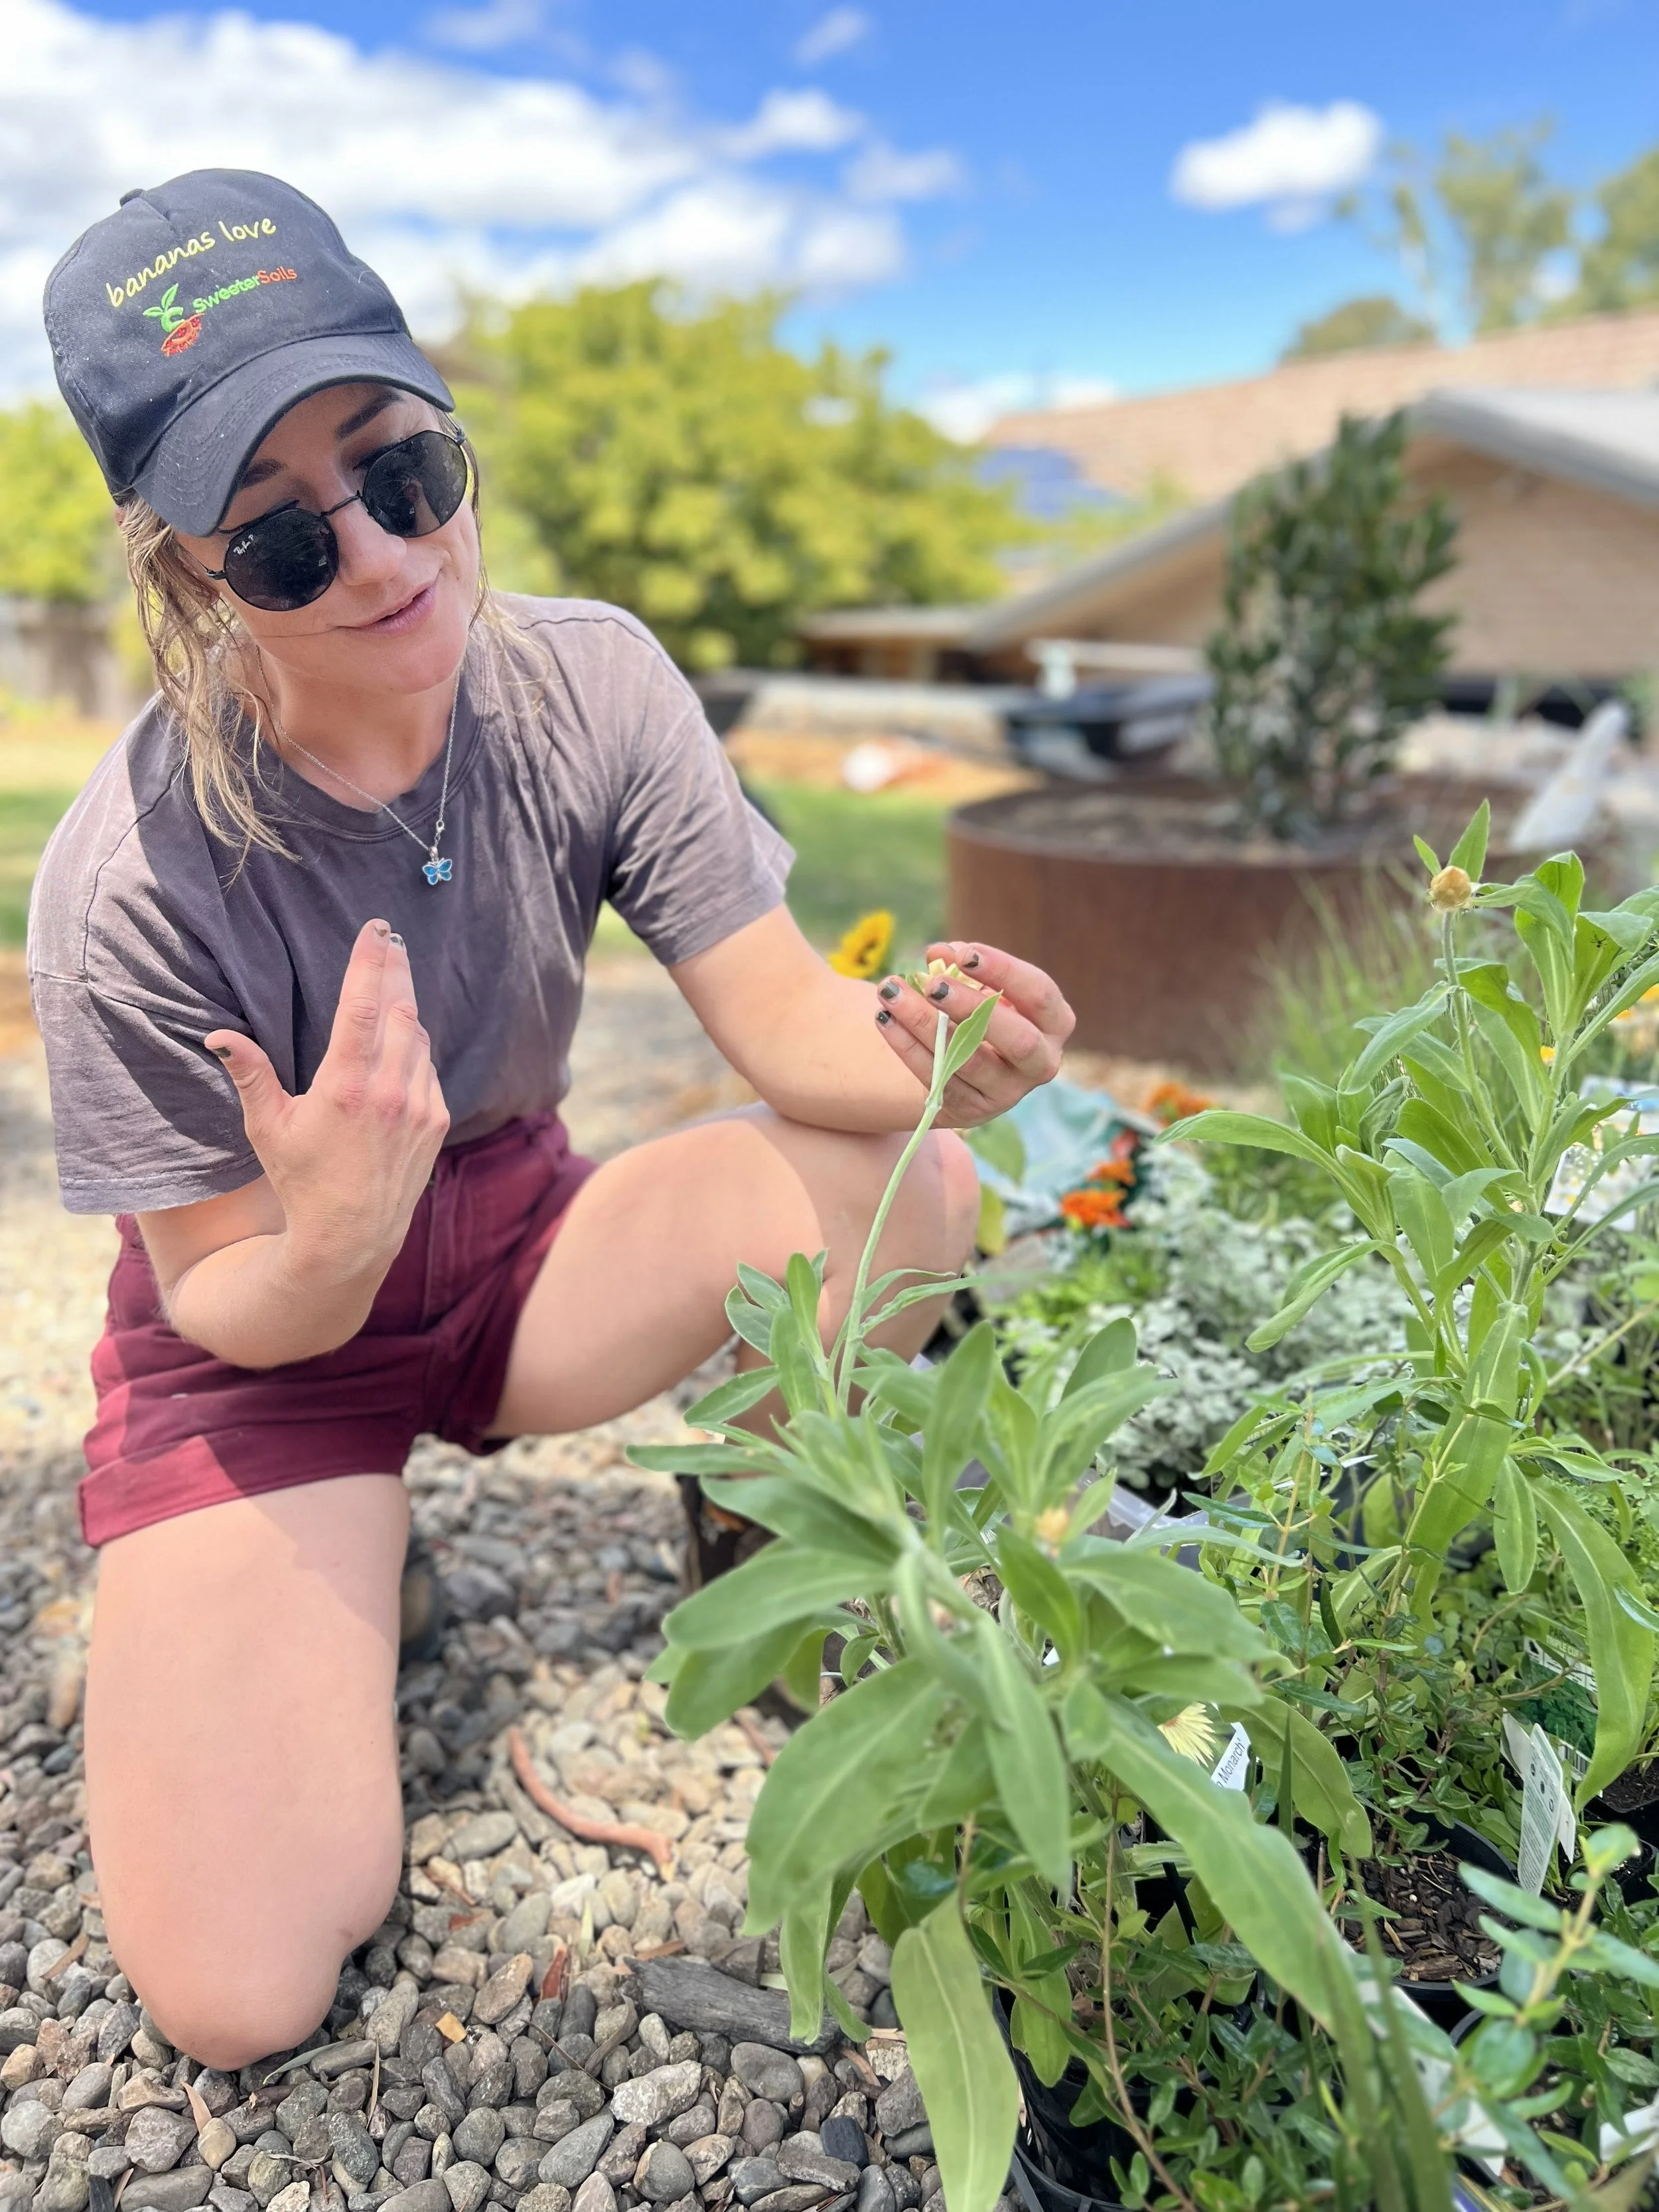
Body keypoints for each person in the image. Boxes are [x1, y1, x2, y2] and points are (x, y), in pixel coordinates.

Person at [29, 170, 1074, 2070]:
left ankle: (775, 1546)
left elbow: (777, 1017)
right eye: (277, 543)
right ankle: (328, 1571)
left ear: (444, 427)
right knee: (239, 1991)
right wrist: (331, 1237)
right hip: (266, 1343)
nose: (376, 554)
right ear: (188, 575)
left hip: (517, 1252)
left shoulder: (587, 682)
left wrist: (933, 1046)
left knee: (912, 1181)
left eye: (401, 468)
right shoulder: (130, 880)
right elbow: (210, 1298)